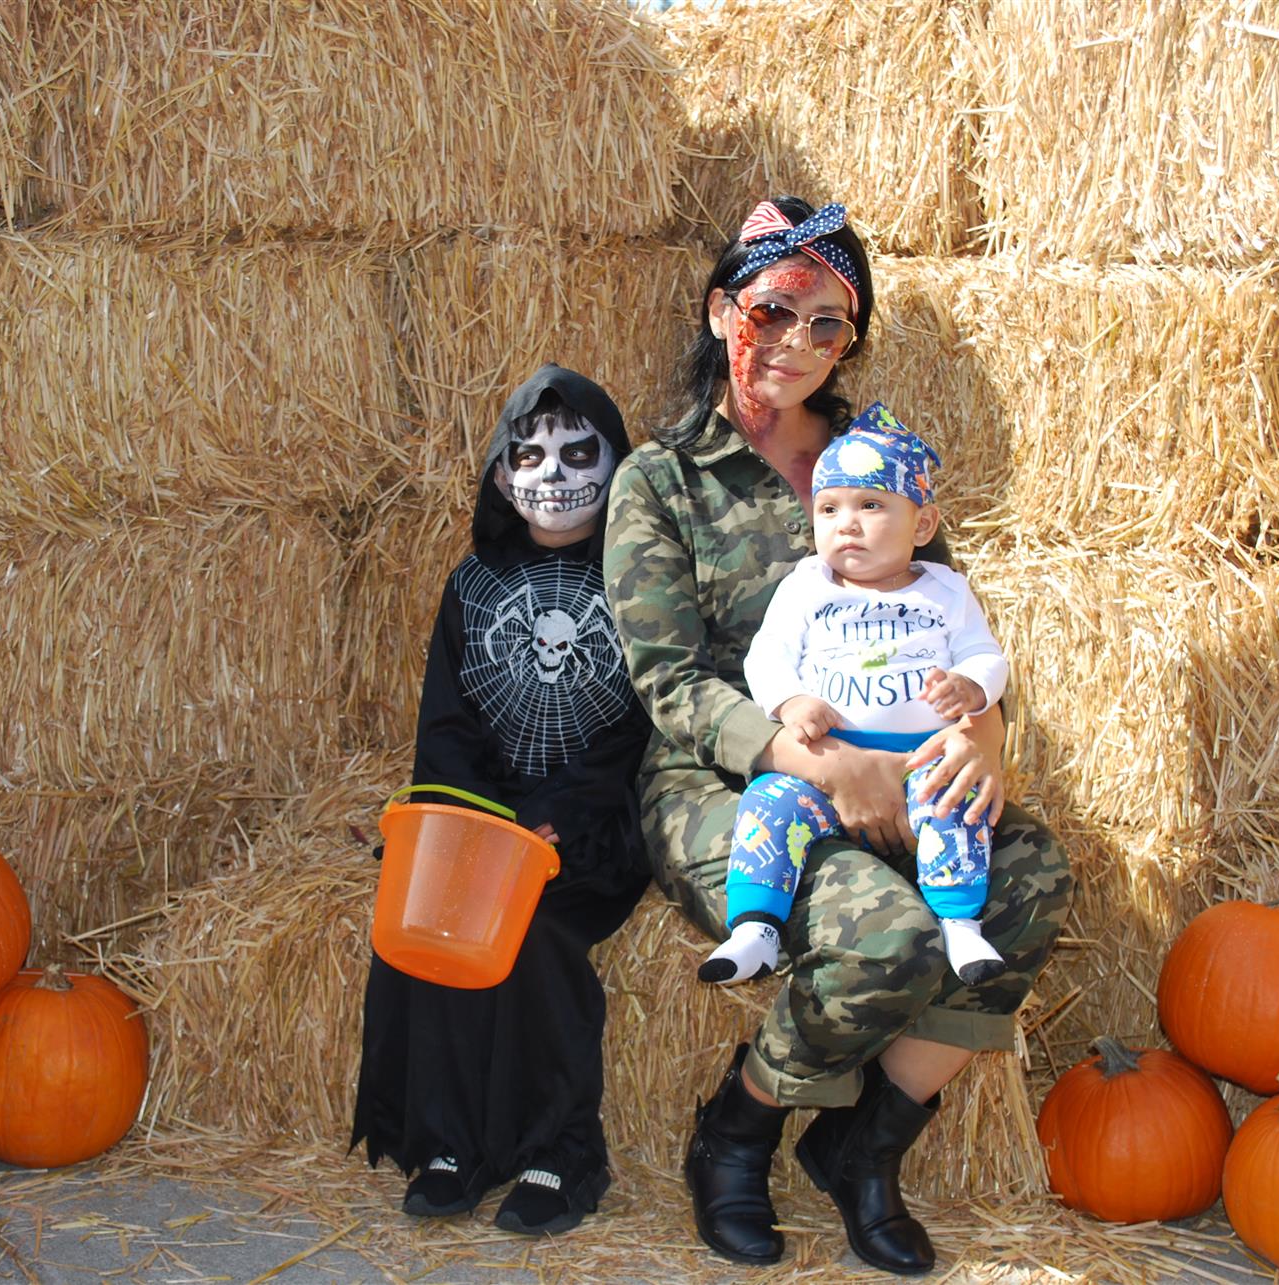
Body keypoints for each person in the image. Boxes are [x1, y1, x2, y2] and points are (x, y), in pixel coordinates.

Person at [603, 198, 1073, 1273]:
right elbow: (668, 682)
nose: (798, 345)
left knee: (1033, 876)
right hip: (727, 780)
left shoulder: (882, 466)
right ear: (725, 309)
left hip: (895, 758)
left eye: (829, 326)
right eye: (774, 311)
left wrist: (986, 735)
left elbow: (955, 625)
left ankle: (864, 1150)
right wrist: (813, 760)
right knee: (886, 934)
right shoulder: (661, 481)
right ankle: (740, 1128)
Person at [352, 364, 650, 1238]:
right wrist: (477, 818)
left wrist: (564, 810)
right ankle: (449, 1142)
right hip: (484, 819)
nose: (554, 473)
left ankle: (562, 1148)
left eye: (577, 451)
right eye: (530, 454)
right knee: (427, 923)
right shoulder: (469, 586)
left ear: (616, 463)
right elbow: (445, 723)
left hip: (592, 826)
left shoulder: (642, 580)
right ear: (499, 474)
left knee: (540, 932)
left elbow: (648, 719)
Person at [703, 402, 1010, 990]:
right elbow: (766, 657)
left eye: (871, 506)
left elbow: (985, 656)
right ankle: (755, 927)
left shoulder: (946, 593)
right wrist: (790, 702)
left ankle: (959, 923)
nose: (847, 523)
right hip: (825, 768)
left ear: (922, 525)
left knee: (957, 801)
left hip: (921, 761)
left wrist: (971, 686)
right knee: (768, 803)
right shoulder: (806, 589)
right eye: (829, 509)